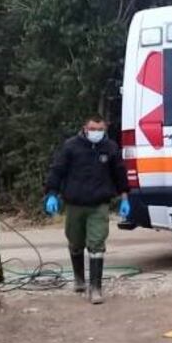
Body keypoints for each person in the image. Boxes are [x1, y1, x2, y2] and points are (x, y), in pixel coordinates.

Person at [44, 116, 129, 304]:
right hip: (75, 203)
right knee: (75, 242)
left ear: (104, 129)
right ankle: (79, 279)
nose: (96, 133)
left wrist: (125, 197)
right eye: (93, 128)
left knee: (97, 243)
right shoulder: (71, 146)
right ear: (85, 128)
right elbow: (57, 170)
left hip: (99, 204)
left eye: (100, 129)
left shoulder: (111, 148)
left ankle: (96, 288)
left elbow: (120, 173)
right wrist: (52, 193)